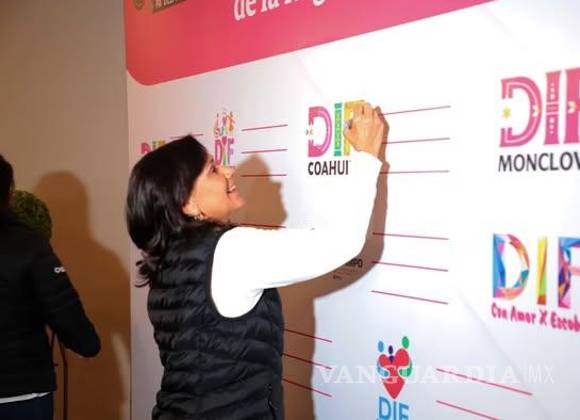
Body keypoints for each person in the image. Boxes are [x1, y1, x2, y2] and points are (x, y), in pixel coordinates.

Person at [126, 102, 388, 419]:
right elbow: (341, 241)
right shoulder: (231, 251)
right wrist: (366, 156)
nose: (229, 170)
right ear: (188, 203)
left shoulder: (167, 261)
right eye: (212, 170)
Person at [0, 155, 101, 420]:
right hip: (23, 391)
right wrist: (87, 344)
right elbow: (63, 307)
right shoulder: (29, 246)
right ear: (7, 193)